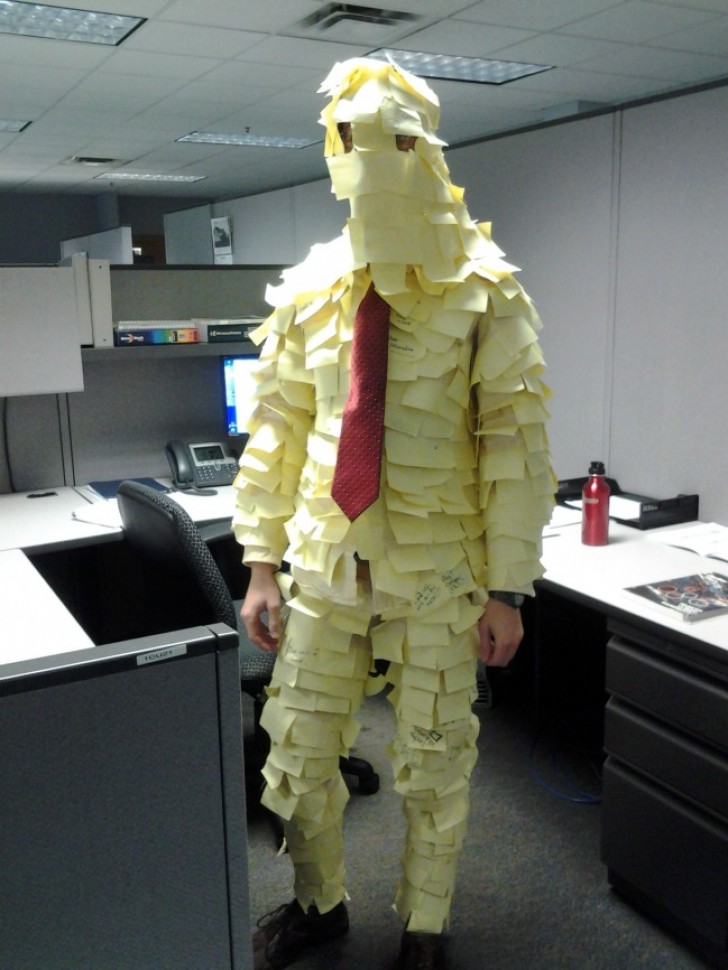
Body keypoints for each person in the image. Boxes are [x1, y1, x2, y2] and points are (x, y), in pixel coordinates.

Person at [233, 57, 555, 970]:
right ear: (331, 151)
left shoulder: (486, 290)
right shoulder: (311, 289)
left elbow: (515, 451)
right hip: (325, 567)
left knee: (432, 761)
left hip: (440, 574)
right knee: (296, 758)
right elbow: (280, 431)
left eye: (396, 139)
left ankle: (425, 928)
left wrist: (507, 591)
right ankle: (320, 906)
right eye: (349, 139)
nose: (370, 157)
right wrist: (260, 565)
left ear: (429, 148)